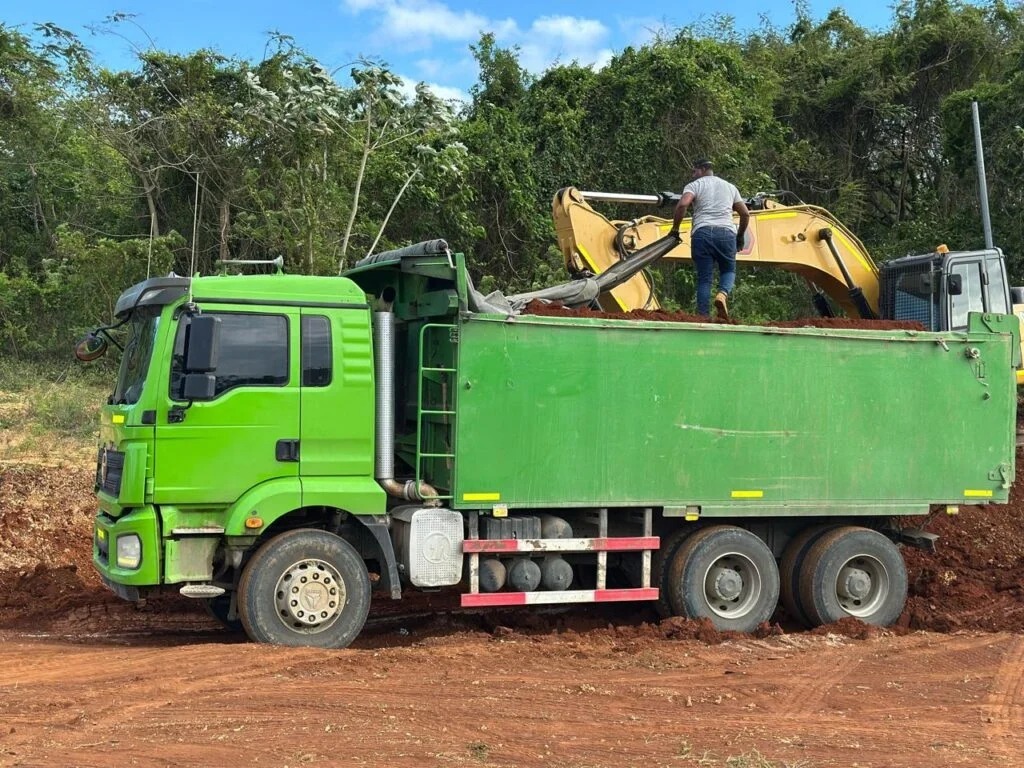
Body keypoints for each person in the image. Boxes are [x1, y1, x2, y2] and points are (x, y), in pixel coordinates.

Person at [668, 159, 750, 319]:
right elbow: (745, 214)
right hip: (726, 233)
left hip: (702, 234)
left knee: (704, 279)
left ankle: (703, 317)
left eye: (695, 171)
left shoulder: (694, 185)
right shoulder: (730, 187)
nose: (693, 175)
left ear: (703, 169)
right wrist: (740, 236)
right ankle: (722, 294)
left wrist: (675, 228)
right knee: (728, 270)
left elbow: (683, 205)